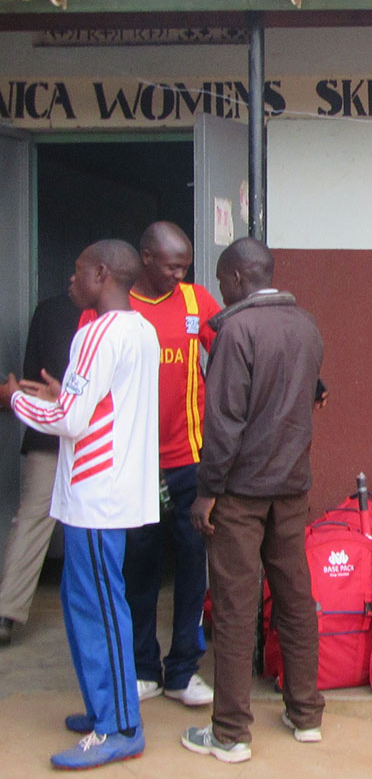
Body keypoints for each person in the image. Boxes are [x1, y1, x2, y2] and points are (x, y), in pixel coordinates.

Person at [0, 240, 160, 770]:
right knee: (84, 604)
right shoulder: (141, 331)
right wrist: (57, 399)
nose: (70, 282)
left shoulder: (94, 333)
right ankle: (102, 708)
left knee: (100, 611)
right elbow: (94, 410)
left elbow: (70, 421)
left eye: (76, 272)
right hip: (112, 491)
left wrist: (16, 400)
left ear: (101, 273)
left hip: (96, 497)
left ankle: (120, 727)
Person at [181, 237, 326, 765]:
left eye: (222, 280)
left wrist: (207, 493)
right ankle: (306, 713)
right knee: (294, 597)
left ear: (240, 277)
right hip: (291, 487)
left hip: (240, 493)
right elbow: (310, 392)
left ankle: (230, 733)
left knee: (237, 607)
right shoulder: (307, 326)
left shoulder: (236, 331)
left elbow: (223, 424)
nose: (220, 290)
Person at [123, 220, 221, 706]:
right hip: (135, 464)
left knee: (190, 563)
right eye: (171, 266)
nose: (180, 275)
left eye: (186, 266)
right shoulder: (118, 304)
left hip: (190, 461)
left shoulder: (195, 301)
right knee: (138, 566)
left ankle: (183, 671)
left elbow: (230, 349)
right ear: (145, 258)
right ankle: (144, 668)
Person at [0, 294, 80, 646]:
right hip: (97, 437)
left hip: (52, 430)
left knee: (31, 520)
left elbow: (31, 377)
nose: (73, 280)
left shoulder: (51, 308)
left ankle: (5, 613)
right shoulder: (128, 316)